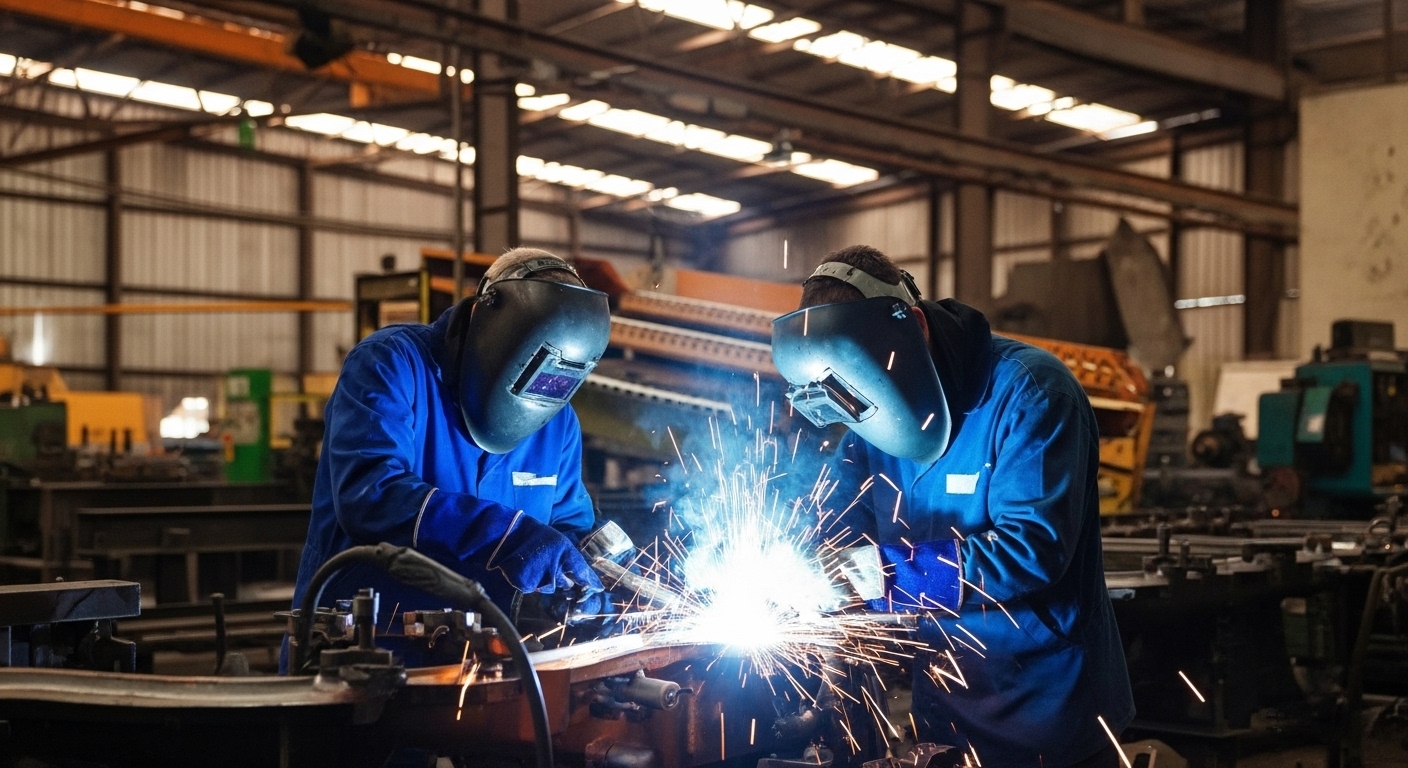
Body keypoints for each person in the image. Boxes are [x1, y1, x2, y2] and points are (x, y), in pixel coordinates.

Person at [771, 245, 1134, 768]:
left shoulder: (1031, 393)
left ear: (913, 328)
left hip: (1046, 708)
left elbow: (1033, 549)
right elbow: (844, 520)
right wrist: (800, 563)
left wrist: (883, 577)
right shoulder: (870, 406)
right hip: (944, 700)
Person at [288, 248, 612, 670]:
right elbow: (371, 494)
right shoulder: (392, 364)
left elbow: (569, 525)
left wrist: (604, 571)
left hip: (488, 669)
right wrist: (508, 536)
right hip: (365, 657)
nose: (544, 388)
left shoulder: (557, 422)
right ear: (487, 319)